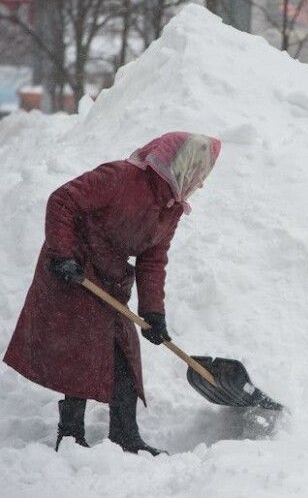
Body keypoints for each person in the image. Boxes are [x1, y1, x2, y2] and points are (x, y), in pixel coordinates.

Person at [3, 132, 221, 456]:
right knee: (81, 348)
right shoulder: (120, 177)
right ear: (182, 164)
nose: (200, 181)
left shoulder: (171, 208)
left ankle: (125, 435)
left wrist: (153, 312)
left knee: (124, 351)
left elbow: (152, 259)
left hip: (108, 277)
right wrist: (62, 255)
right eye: (199, 171)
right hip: (71, 267)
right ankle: (70, 434)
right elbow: (62, 200)